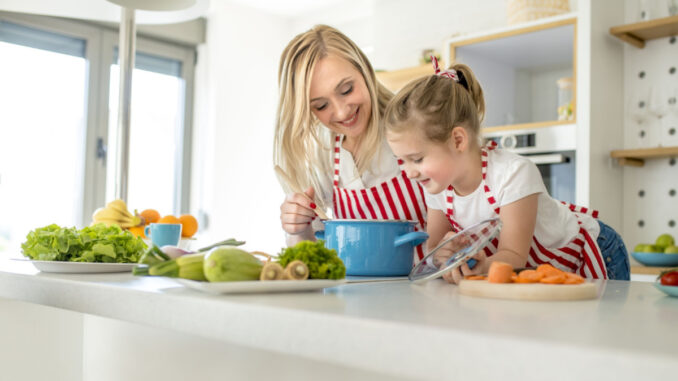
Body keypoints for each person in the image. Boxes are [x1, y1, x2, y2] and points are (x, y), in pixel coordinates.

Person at [383, 57, 630, 283]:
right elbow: (434, 249)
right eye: (401, 161)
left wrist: (478, 268)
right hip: (526, 268)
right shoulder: (436, 185)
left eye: (416, 158)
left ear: (458, 140)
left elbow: (514, 255)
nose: (409, 172)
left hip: (593, 252)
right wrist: (445, 255)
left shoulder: (512, 173)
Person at [273, 25, 428, 261]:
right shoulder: (323, 152)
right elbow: (311, 259)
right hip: (356, 292)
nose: (342, 112)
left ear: (364, 70)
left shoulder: (412, 124)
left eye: (346, 90)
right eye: (321, 106)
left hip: (430, 288)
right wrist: (298, 229)